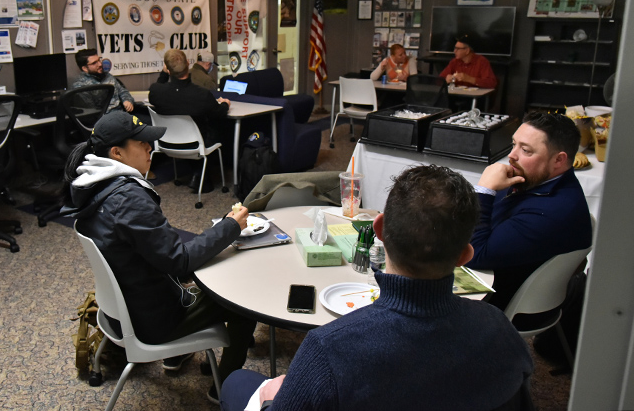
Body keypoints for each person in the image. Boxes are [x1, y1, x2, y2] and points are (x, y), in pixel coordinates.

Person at [220, 165, 533, 411]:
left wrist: (271, 397)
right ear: (465, 256)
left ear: (378, 229)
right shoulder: (500, 328)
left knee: (237, 383)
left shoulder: (327, 349)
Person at [62, 110, 256, 404]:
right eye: (140, 143)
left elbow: (158, 253)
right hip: (154, 321)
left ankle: (176, 357)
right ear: (117, 152)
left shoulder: (92, 184)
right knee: (243, 300)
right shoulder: (128, 199)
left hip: (127, 306)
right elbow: (179, 263)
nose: (149, 148)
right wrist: (231, 227)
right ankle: (226, 388)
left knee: (204, 277)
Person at [466, 112, 593, 310]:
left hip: (496, 301)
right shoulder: (533, 179)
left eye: (525, 150)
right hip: (495, 270)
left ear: (558, 160)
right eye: (514, 143)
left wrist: (484, 190)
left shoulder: (554, 212)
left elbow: (475, 254)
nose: (511, 155)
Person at [149, 49, 230, 192]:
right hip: (196, 145)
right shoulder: (202, 95)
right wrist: (225, 104)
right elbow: (220, 113)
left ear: (167, 69)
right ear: (188, 63)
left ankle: (197, 173)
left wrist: (163, 73)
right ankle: (200, 173)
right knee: (215, 128)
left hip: (166, 144)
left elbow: (158, 86)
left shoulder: (156, 92)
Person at [71, 48, 135, 114]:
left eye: (99, 60)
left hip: (122, 114)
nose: (100, 64)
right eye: (94, 63)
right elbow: (92, 113)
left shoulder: (107, 75)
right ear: (85, 68)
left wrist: (127, 100)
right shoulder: (80, 86)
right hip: (105, 120)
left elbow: (122, 91)